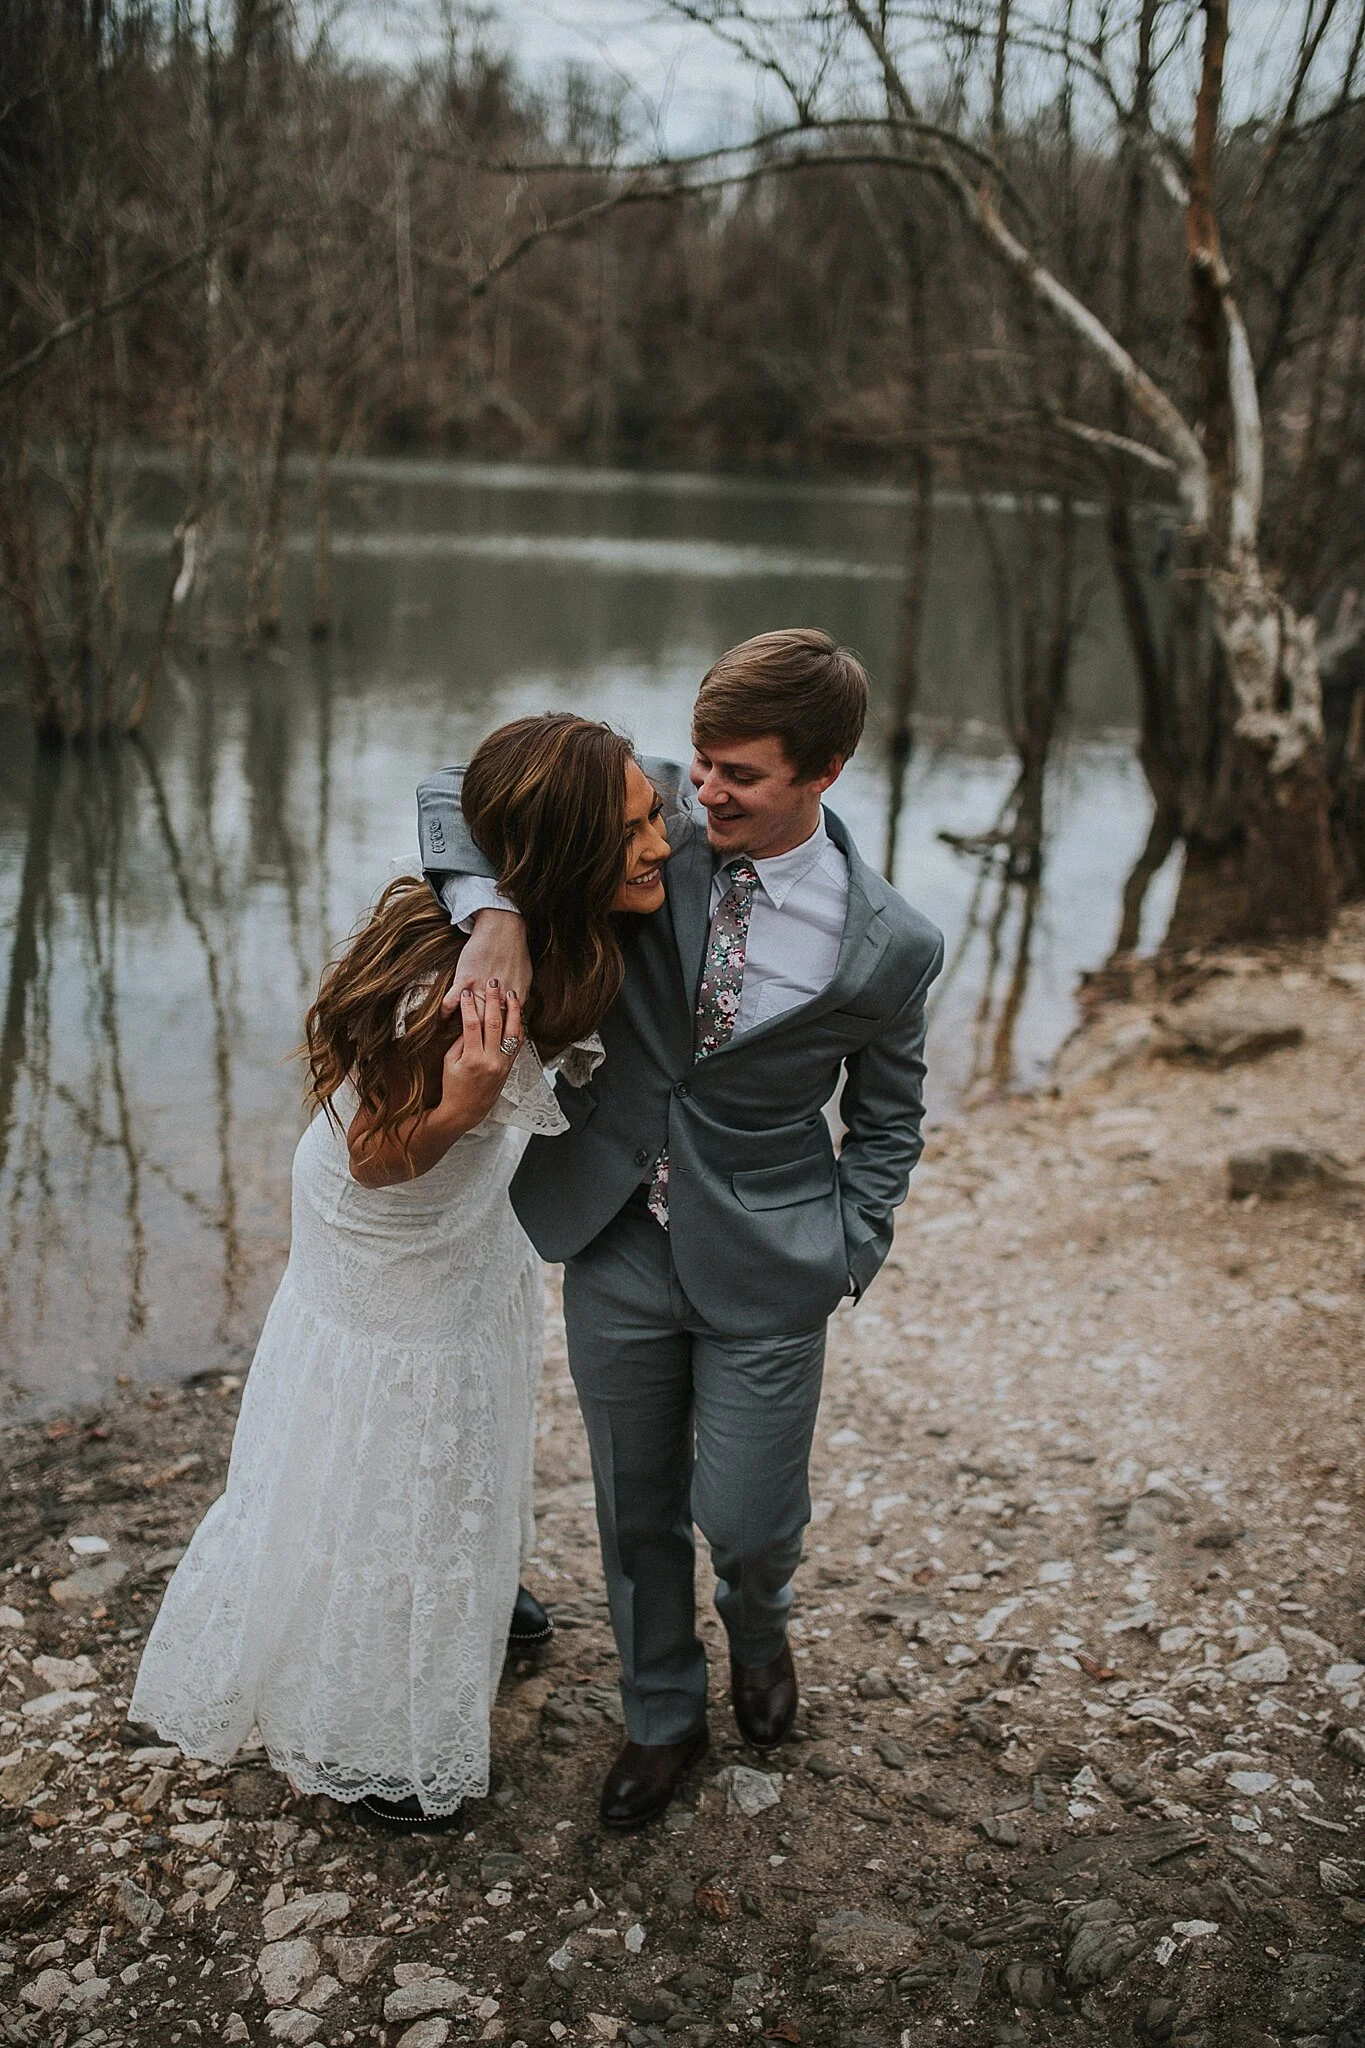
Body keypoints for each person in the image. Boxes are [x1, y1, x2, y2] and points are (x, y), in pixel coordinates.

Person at [419, 628, 944, 1828]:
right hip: (613, 1234)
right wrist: (493, 909)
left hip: (775, 1258)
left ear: (826, 771)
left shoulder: (891, 944)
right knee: (633, 1504)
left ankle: (759, 1631)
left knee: (749, 1519)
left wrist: (852, 1245)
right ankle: (662, 1713)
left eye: (738, 777)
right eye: (699, 763)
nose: (702, 794)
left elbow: (890, 1118)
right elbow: (454, 788)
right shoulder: (653, 816)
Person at [129, 715, 672, 1831]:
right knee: (393, 1430)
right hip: (384, 1211)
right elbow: (377, 1157)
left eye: (656, 814)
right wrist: (466, 1101)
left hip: (473, 1212)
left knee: (472, 1397)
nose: (665, 834)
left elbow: (465, 794)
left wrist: (506, 910)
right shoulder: (446, 987)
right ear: (572, 854)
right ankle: (368, 1731)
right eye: (639, 827)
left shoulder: (542, 915)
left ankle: (473, 1589)